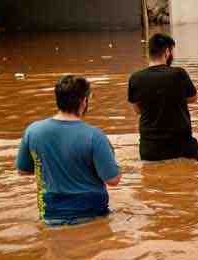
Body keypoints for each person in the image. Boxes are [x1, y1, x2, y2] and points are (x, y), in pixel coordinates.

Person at [16, 75, 121, 225]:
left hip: (50, 213)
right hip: (92, 214)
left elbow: (23, 171)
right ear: (83, 101)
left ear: (58, 99)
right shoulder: (94, 135)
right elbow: (113, 179)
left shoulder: (33, 131)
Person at [128, 33, 198, 163]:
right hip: (181, 148)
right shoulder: (179, 74)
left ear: (149, 52)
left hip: (149, 150)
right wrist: (172, 97)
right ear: (167, 52)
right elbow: (193, 98)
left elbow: (138, 111)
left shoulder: (135, 78)